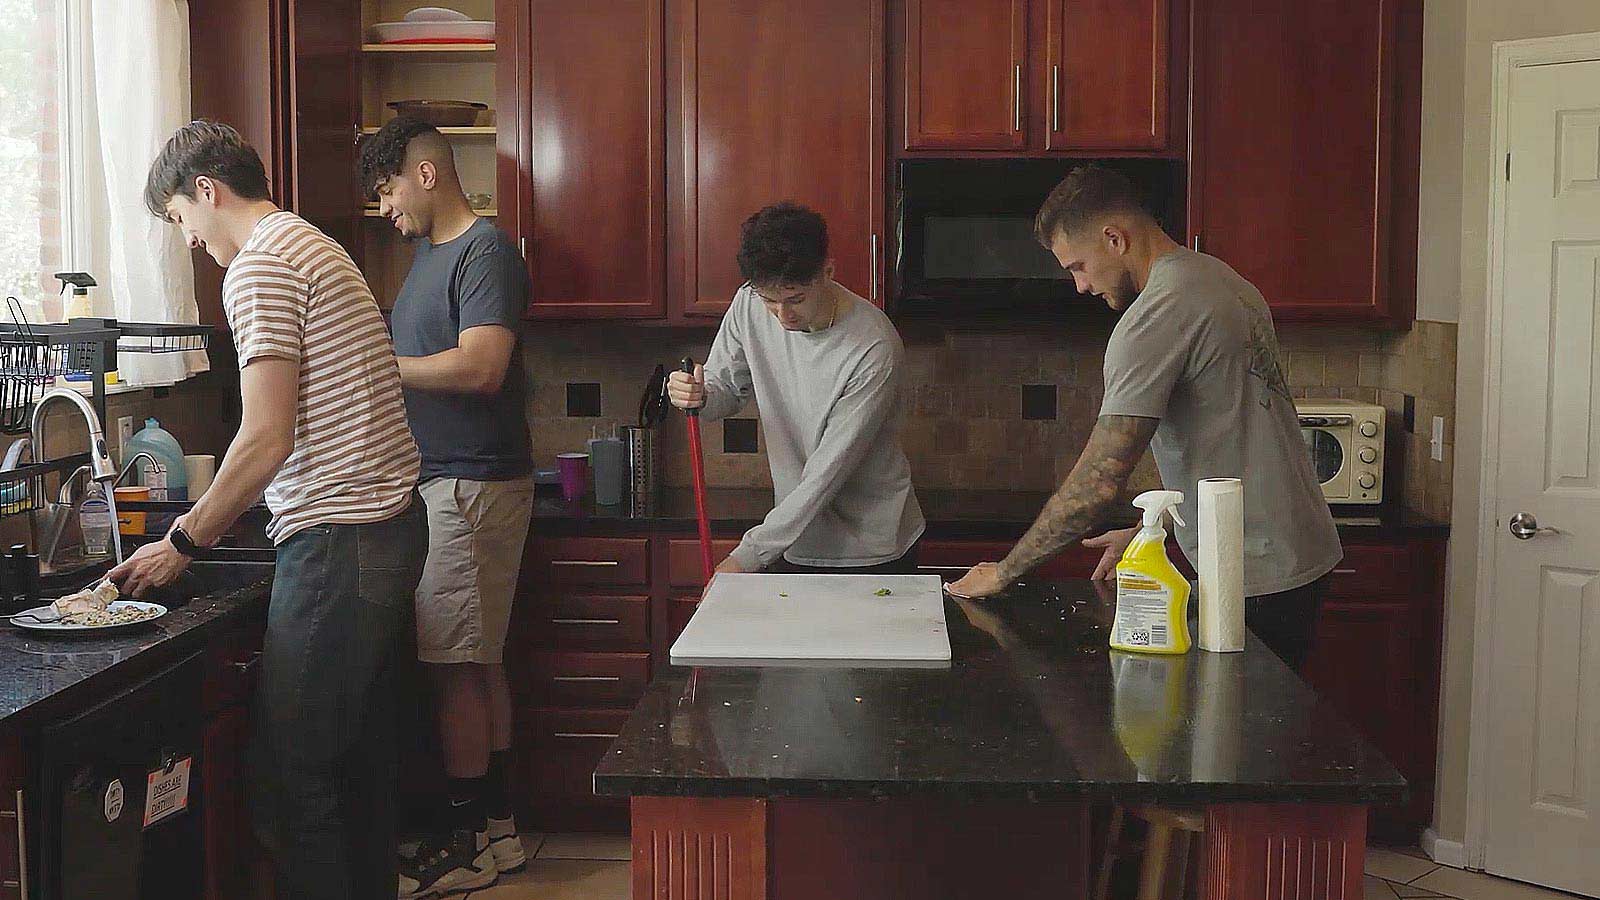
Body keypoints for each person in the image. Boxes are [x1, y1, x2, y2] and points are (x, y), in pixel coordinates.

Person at [120, 120, 426, 900]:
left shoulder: (258, 267)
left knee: (290, 779)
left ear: (206, 191)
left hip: (342, 540)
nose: (190, 240)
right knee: (354, 769)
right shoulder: (313, 244)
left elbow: (264, 437)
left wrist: (183, 542)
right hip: (387, 528)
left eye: (180, 220)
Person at [947, 165, 1341, 673]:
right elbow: (1234, 435)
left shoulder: (1156, 314)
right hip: (1294, 554)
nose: (1081, 287)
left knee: (1233, 738)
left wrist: (1005, 571)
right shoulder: (1220, 279)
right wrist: (1154, 530)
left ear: (1115, 238)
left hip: (1252, 573)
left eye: (1079, 266)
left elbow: (1100, 480)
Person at [356, 118, 533, 898]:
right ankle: (496, 833)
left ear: (424, 174)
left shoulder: (485, 252)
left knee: (455, 668)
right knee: (477, 660)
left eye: (387, 189)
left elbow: (482, 366)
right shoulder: (427, 258)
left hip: (467, 486)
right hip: (450, 482)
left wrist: (379, 367)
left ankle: (465, 849)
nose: (384, 208)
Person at [667, 202, 925, 575]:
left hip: (874, 548)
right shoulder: (749, 303)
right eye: (769, 300)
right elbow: (725, 387)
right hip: (793, 538)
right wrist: (700, 394)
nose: (781, 315)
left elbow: (825, 476)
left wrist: (744, 559)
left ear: (827, 272)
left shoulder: (873, 346)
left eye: (795, 299)